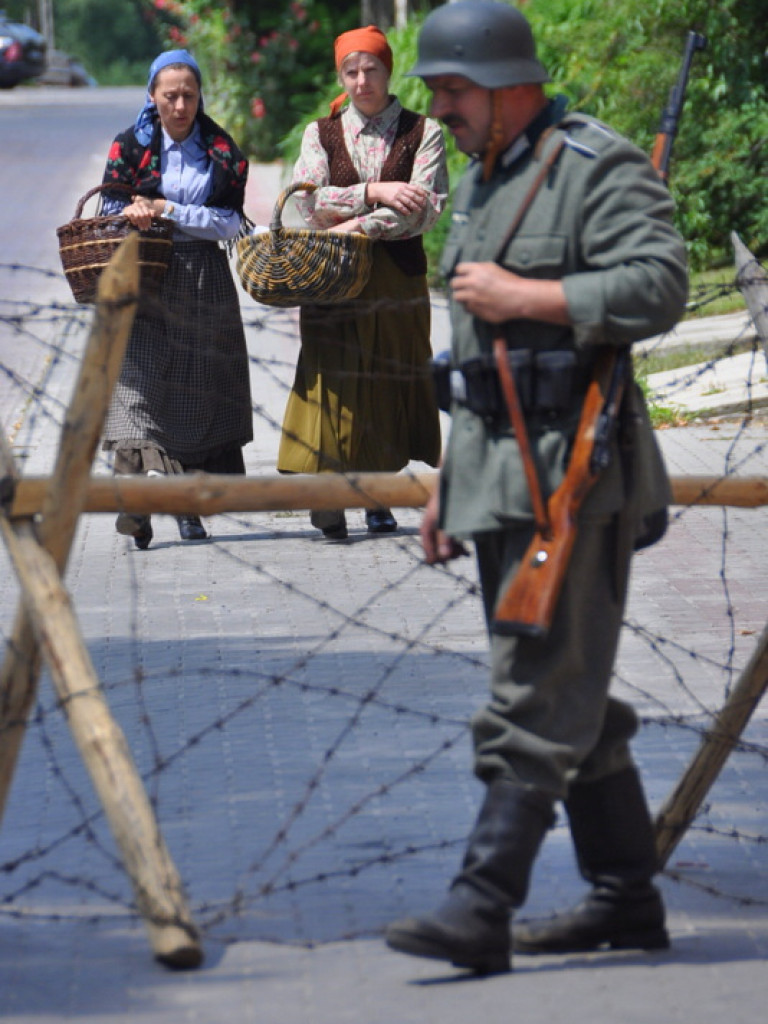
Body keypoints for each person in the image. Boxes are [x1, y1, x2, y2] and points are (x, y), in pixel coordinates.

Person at [384, 1, 688, 975]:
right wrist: (445, 488)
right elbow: (475, 364)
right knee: (574, 698)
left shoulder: (594, 167)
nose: (441, 111)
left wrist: (536, 298)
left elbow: (660, 285)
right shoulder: (479, 182)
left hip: (577, 479)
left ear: (513, 85)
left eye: (455, 92)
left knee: (532, 694)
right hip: (497, 476)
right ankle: (625, 897)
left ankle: (481, 905)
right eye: (434, 93)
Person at [276, 25, 449, 540]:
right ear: (340, 75)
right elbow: (307, 201)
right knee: (334, 382)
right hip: (333, 282)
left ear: (388, 69)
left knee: (385, 381)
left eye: (370, 68)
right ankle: (329, 493)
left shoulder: (425, 132)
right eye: (350, 71)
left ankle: (377, 497)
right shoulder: (319, 134)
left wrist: (352, 223)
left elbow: (423, 210)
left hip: (397, 282)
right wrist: (375, 190)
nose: (360, 80)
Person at [100, 49, 253, 550]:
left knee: (192, 395)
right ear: (152, 97)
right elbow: (107, 207)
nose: (181, 105)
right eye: (170, 95)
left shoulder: (222, 151)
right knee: (135, 386)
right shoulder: (130, 147)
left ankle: (187, 508)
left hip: (203, 279)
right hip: (144, 277)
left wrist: (169, 210)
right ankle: (133, 505)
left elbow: (231, 222)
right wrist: (134, 214)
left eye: (189, 94)